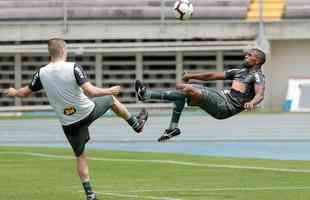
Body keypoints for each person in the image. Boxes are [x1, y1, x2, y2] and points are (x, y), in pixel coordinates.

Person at [6, 38, 148, 200]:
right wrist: (109, 90)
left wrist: (13, 92)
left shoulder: (41, 73)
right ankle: (136, 124)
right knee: (110, 100)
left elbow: (24, 93)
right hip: (87, 112)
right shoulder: (73, 67)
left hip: (68, 122)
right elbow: (92, 92)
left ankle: (90, 195)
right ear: (64, 50)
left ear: (50, 53)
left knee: (80, 156)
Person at [135, 48, 266, 142]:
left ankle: (146, 95)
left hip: (226, 107)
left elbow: (260, 94)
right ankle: (172, 128)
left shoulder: (257, 76)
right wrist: (191, 76)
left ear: (257, 60)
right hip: (220, 97)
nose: (246, 56)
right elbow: (211, 76)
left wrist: (252, 103)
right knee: (183, 94)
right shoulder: (239, 71)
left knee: (187, 89)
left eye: (250, 55)